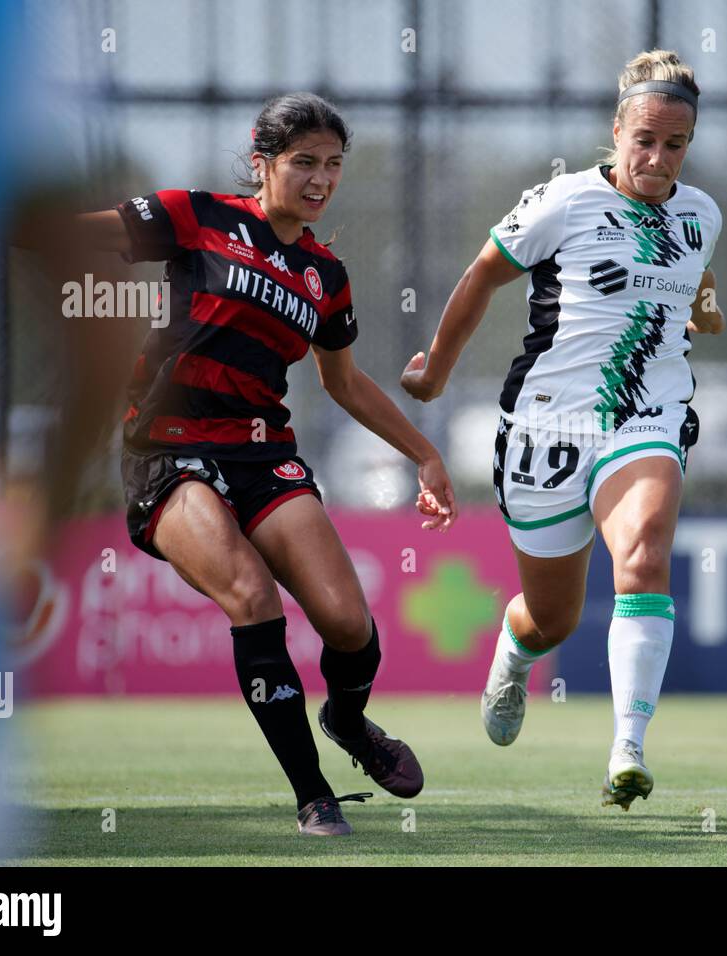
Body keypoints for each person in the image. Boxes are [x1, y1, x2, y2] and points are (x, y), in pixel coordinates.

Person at [76, 92, 457, 835]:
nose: (321, 179)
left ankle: (348, 722)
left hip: (261, 454)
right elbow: (87, 235)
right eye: (304, 162)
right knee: (252, 599)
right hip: (170, 451)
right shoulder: (197, 215)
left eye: (334, 165)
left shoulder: (325, 274)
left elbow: (342, 383)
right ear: (263, 164)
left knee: (348, 624)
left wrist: (426, 454)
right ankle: (312, 795)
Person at [401, 51, 724, 809]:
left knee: (643, 558)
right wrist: (436, 372)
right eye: (644, 139)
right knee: (552, 617)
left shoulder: (702, 213)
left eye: (675, 145)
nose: (657, 157)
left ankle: (627, 750)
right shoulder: (563, 202)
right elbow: (483, 272)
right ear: (617, 131)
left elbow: (698, 283)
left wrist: (701, 311)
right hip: (549, 426)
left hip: (649, 415)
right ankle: (513, 657)